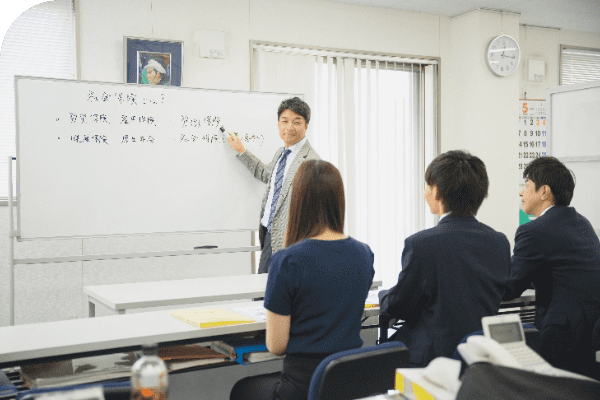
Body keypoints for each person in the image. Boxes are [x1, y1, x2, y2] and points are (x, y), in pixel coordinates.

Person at [230, 160, 375, 400]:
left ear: (298, 202)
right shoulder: (364, 254)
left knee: (242, 390)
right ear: (338, 201)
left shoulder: (287, 260)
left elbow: (276, 346)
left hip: (301, 388)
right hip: (348, 385)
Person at [378, 150, 511, 368]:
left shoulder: (421, 244)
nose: (425, 193)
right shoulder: (499, 242)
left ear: (437, 191)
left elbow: (398, 306)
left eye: (427, 186)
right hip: (480, 357)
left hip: (432, 361)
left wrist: (383, 295)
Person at [503, 156, 600, 377]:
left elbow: (511, 287)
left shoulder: (533, 230)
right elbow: (568, 273)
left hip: (562, 336)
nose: (521, 192)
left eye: (527, 185)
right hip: (591, 334)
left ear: (544, 191)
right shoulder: (582, 223)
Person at [227, 97, 320, 273]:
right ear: (278, 124)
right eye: (284, 121)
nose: (289, 127)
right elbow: (266, 174)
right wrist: (241, 150)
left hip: (292, 242)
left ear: (306, 126)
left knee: (274, 288)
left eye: (296, 122)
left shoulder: (312, 162)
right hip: (270, 234)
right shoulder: (281, 153)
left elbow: (315, 214)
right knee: (262, 287)